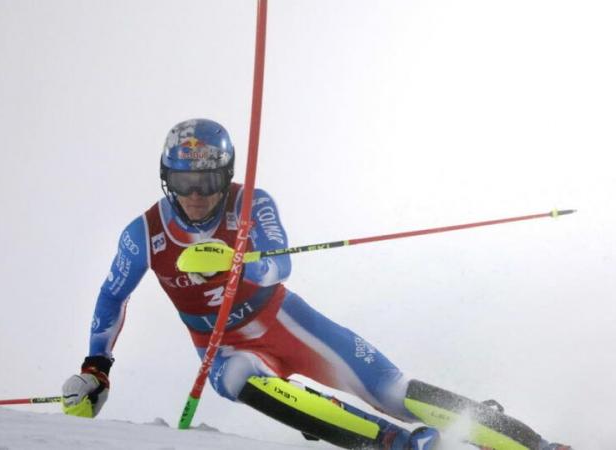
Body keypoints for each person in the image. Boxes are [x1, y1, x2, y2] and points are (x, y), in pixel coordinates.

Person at [62, 118, 571, 450]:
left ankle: (533, 445)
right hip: (222, 345)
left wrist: (240, 263)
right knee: (236, 379)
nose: (196, 196)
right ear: (165, 178)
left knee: (391, 389)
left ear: (227, 176)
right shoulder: (145, 233)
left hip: (284, 320)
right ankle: (395, 443)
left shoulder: (250, 202)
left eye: (209, 182)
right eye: (183, 182)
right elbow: (113, 295)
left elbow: (280, 264)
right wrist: (96, 368)